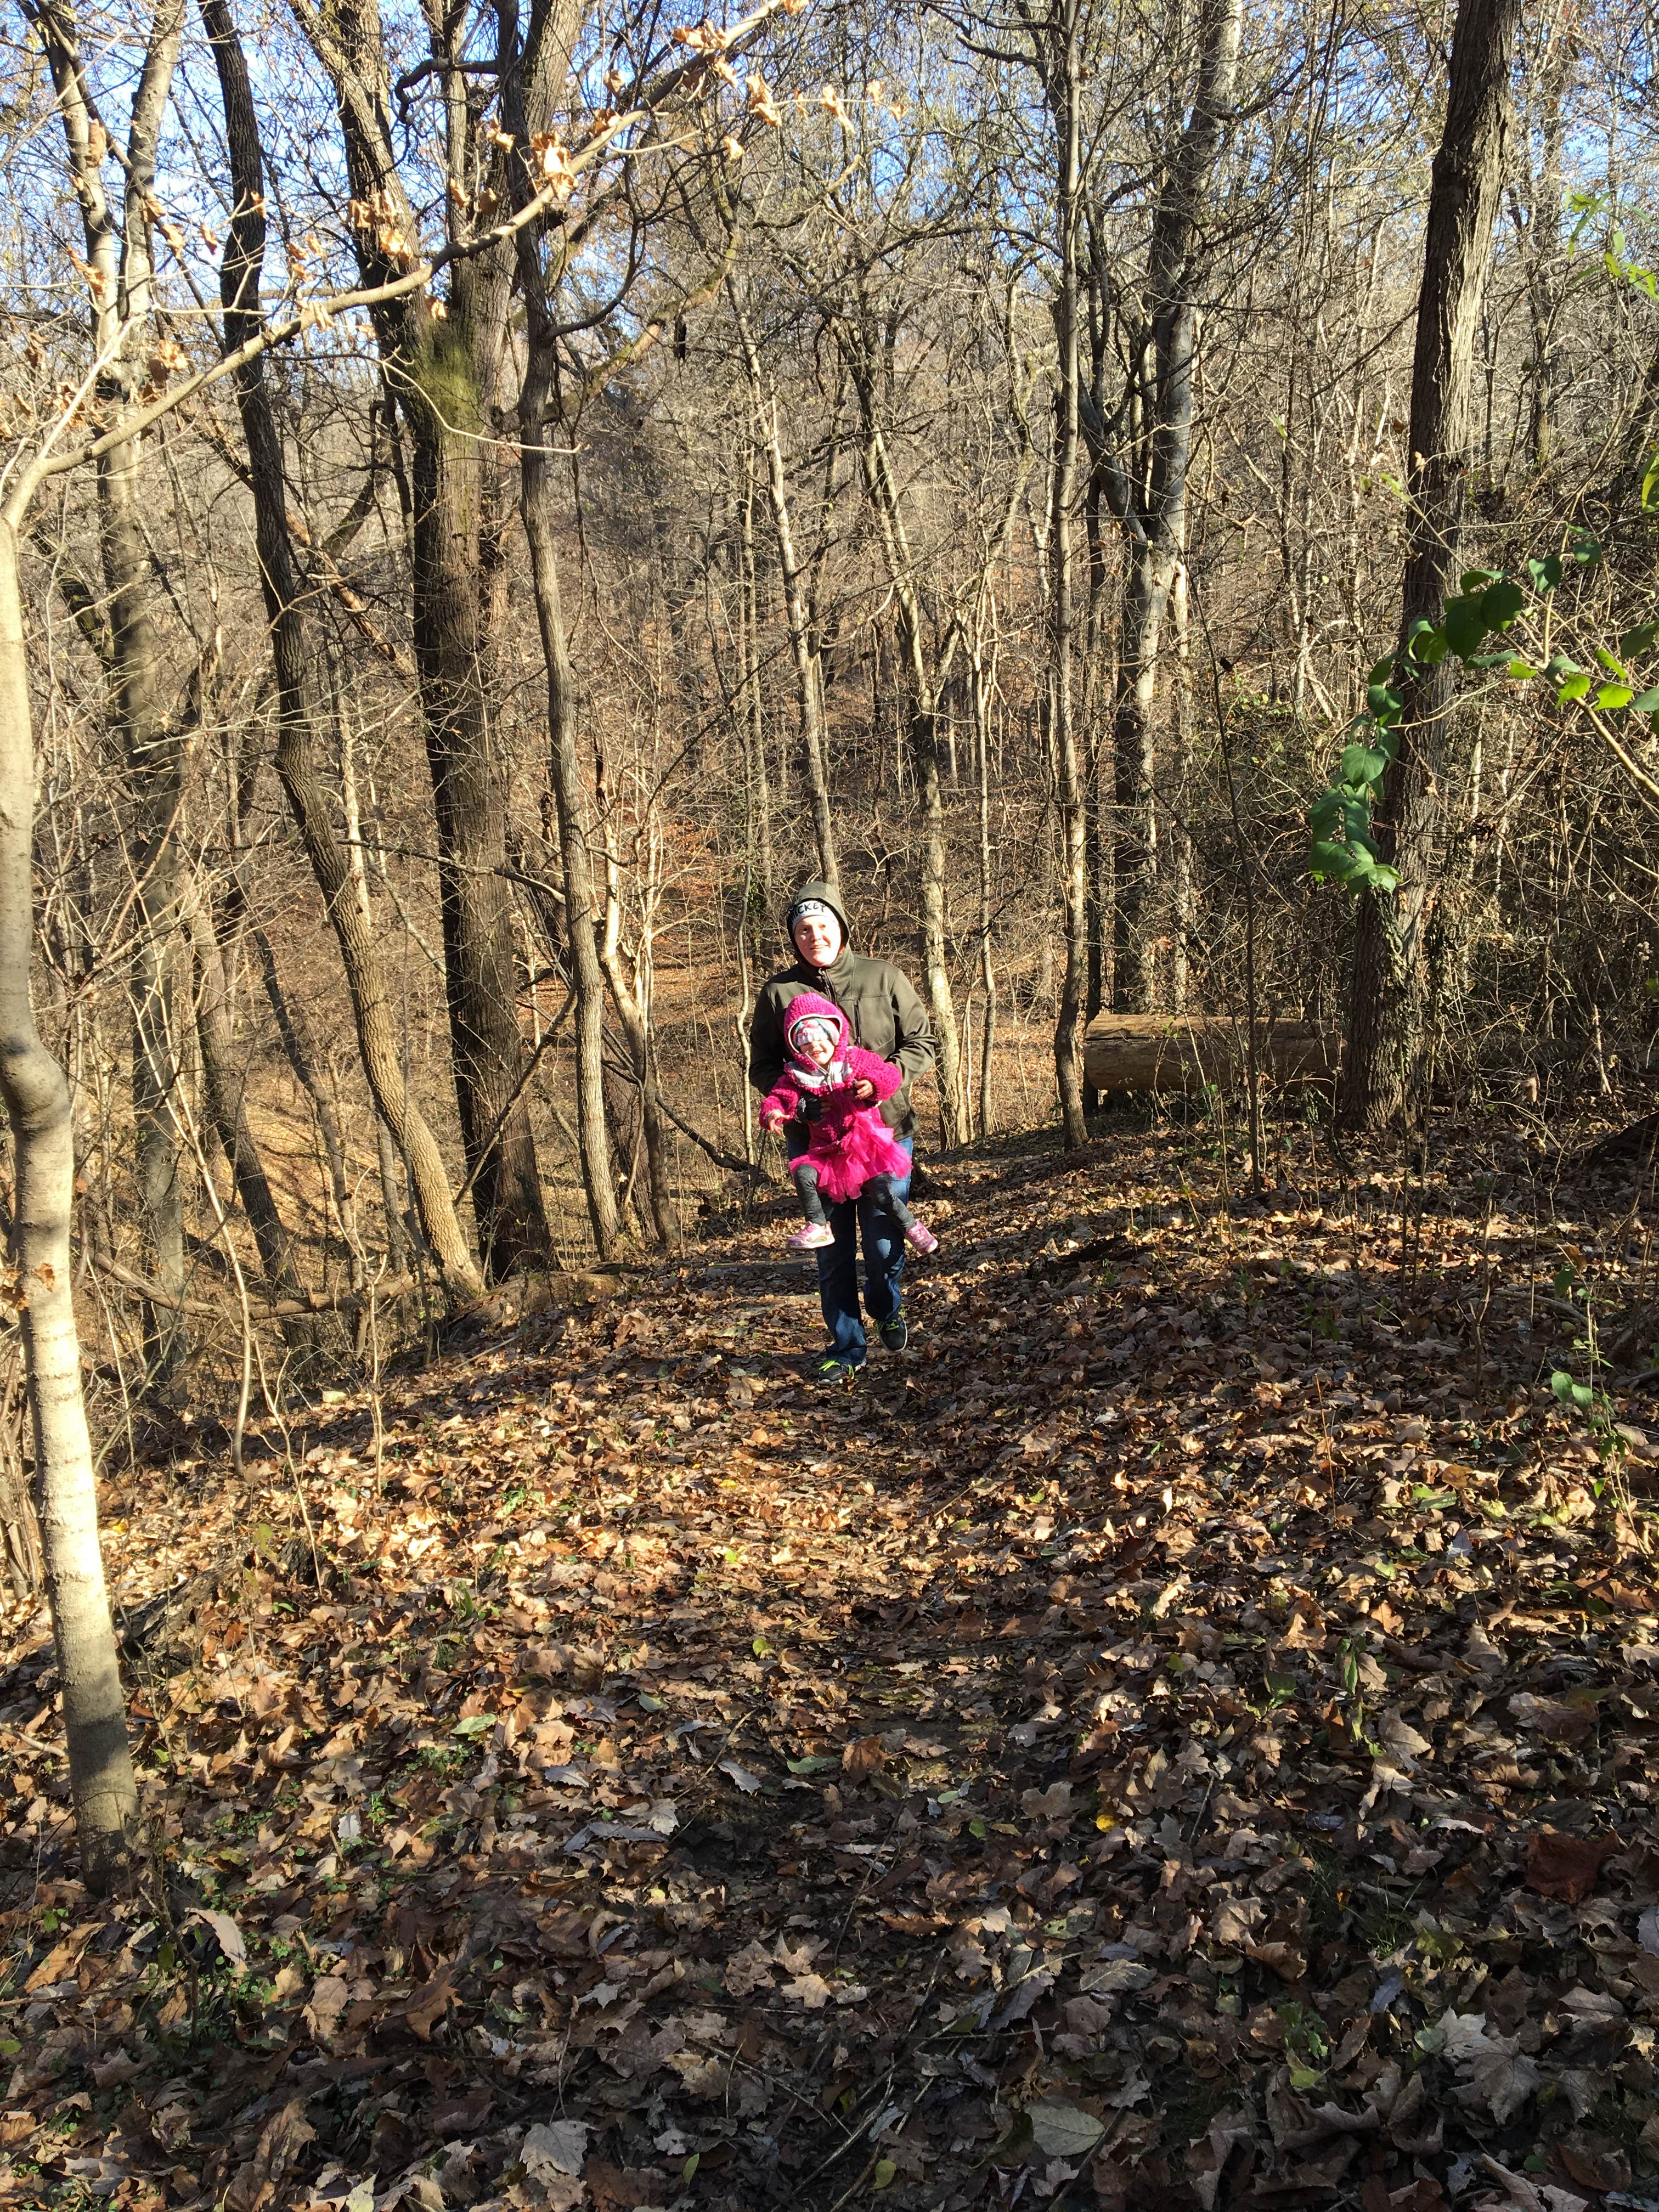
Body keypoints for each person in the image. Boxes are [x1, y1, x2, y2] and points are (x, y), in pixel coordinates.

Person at [749, 881, 935, 1378]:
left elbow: (922, 1041)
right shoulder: (778, 993)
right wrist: (794, 1105)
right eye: (804, 930)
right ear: (795, 939)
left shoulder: (884, 976)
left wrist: (885, 1081)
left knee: (882, 1244)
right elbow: (762, 1065)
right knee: (832, 1254)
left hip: (883, 1136)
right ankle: (847, 1348)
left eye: (824, 926)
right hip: (818, 1145)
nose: (816, 937)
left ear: (842, 928)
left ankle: (886, 1305)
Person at [758, 991, 939, 1257]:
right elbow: (778, 1097)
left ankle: (912, 1228)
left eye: (820, 1038)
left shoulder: (855, 1060)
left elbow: (888, 1074)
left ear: (834, 1035)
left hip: (866, 1147)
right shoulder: (796, 1075)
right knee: (803, 1174)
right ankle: (818, 1225)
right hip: (827, 1151)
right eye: (804, 1042)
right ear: (796, 1047)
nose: (814, 1047)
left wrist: (874, 1086)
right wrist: (772, 1113)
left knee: (881, 1196)